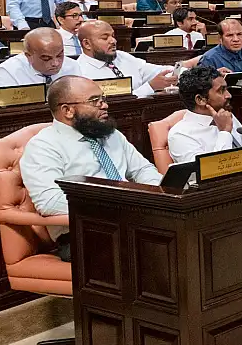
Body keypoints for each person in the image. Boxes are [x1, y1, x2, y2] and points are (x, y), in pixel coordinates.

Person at [21, 76, 162, 258]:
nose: (105, 106)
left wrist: (160, 194)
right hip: (83, 233)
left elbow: (142, 170)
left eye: (103, 99)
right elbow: (50, 202)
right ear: (68, 110)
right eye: (95, 101)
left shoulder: (111, 135)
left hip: (133, 221)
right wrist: (115, 206)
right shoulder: (44, 146)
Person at [167, 66, 242, 164]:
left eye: (226, 89)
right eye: (221, 90)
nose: (229, 95)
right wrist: (224, 132)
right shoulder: (180, 135)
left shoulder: (225, 115)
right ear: (200, 99)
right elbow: (213, 169)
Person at [76, 21, 174, 98]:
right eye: (105, 38)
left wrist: (179, 69)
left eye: (113, 36)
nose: (113, 41)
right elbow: (109, 104)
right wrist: (150, 87)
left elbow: (158, 71)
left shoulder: (122, 56)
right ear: (87, 44)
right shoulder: (79, 72)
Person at [0, 28, 80, 87]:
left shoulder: (73, 66)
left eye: (59, 55)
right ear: (28, 56)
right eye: (46, 58)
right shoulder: (6, 73)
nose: (56, 63)